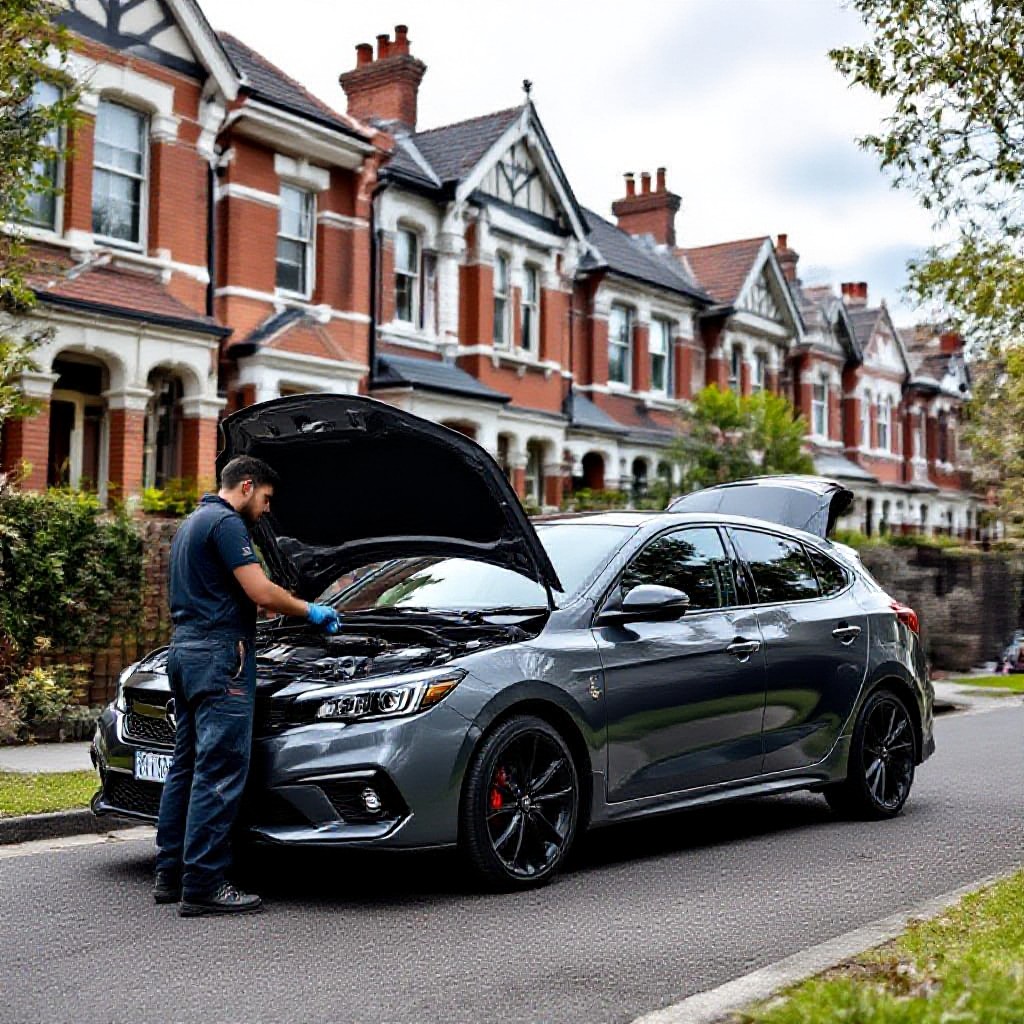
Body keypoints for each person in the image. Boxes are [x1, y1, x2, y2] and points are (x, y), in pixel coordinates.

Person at [154, 455, 340, 916]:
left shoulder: (190, 525)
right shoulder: (226, 524)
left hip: (184, 651)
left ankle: (170, 873)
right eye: (266, 500)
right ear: (247, 486)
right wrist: (309, 610)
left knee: (187, 765)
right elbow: (260, 591)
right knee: (219, 768)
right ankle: (205, 883)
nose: (267, 511)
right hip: (221, 658)